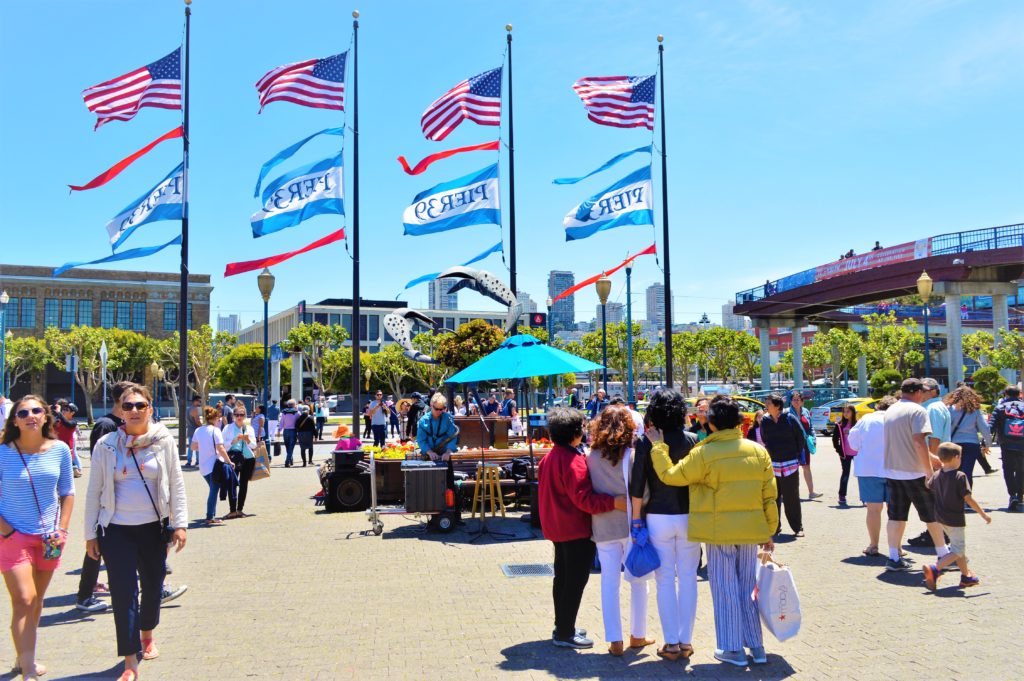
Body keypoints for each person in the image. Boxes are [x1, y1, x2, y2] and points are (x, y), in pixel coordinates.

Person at [648, 395, 777, 667]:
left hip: (718, 532)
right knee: (746, 588)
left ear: (713, 424)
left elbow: (671, 476)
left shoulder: (705, 453)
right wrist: (770, 530)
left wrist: (658, 448)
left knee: (725, 589)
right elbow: (769, 496)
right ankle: (756, 646)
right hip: (751, 531)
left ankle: (732, 649)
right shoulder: (758, 451)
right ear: (740, 422)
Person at [84, 384, 187, 681]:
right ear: (119, 410)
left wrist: (180, 524)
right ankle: (130, 660)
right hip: (116, 530)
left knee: (153, 585)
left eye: (140, 405)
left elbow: (177, 484)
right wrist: (91, 533)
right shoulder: (106, 445)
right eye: (128, 406)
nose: (134, 411)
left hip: (153, 529)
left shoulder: (163, 441)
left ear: (150, 409)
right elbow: (94, 492)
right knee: (123, 592)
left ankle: (147, 633)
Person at [537, 407, 626, 649]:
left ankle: (562, 625)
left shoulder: (549, 457)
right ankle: (565, 632)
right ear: (575, 433)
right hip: (575, 529)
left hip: (557, 527)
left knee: (562, 579)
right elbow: (584, 499)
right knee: (574, 582)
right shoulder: (574, 461)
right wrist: (614, 502)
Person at [0, 395, 75, 681]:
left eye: (36, 411)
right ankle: (29, 672)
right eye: (23, 412)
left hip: (50, 538)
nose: (30, 416)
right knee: (23, 599)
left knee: (37, 600)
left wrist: (63, 529)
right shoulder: (3, 452)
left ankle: (23, 657)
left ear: (46, 416)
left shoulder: (60, 451)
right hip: (12, 536)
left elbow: (67, 492)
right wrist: (5, 528)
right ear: (14, 420)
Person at [629, 390, 698, 661]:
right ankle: (686, 641)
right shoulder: (693, 440)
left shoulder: (646, 442)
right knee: (689, 578)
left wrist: (636, 521)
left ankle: (670, 643)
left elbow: (637, 488)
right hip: (689, 515)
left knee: (665, 580)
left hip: (657, 516)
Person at [587, 406, 653, 657]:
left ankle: (614, 640)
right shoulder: (633, 456)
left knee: (608, 582)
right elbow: (643, 494)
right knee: (638, 580)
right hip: (630, 525)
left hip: (603, 526)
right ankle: (638, 634)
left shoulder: (590, 456)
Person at [882, 378, 948, 572]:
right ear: (918, 392)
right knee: (932, 514)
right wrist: (929, 471)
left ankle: (893, 557)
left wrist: (932, 457)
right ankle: (943, 554)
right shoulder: (918, 411)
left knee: (896, 515)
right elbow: (918, 442)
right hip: (914, 471)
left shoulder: (891, 410)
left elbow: (906, 442)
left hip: (893, 470)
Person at [922, 443, 991, 591]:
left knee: (957, 547)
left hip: (941, 518)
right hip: (955, 519)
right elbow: (968, 499)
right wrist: (983, 514)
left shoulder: (937, 474)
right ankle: (934, 568)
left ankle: (966, 576)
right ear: (956, 457)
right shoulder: (960, 476)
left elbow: (928, 485)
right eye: (960, 456)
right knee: (958, 550)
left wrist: (927, 474)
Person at [847, 396, 897, 556]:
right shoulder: (897, 419)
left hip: (868, 469)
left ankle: (873, 545)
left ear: (878, 406)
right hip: (895, 470)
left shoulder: (866, 419)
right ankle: (896, 547)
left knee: (873, 510)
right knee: (895, 510)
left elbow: (853, 443)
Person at [758, 394, 805, 537]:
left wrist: (794, 454)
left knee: (792, 497)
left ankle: (798, 528)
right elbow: (765, 439)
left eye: (769, 403)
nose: (766, 405)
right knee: (773, 497)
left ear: (777, 406)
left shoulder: (789, 418)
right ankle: (775, 527)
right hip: (773, 465)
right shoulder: (765, 421)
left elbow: (800, 437)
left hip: (790, 464)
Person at [190, 406, 234, 525]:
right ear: (214, 418)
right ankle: (209, 517)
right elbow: (221, 448)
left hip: (203, 467)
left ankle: (211, 515)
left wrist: (204, 448)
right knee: (213, 491)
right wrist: (229, 461)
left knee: (213, 489)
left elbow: (193, 447)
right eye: (218, 418)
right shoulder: (216, 431)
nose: (219, 420)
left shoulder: (198, 430)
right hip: (214, 466)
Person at [942, 385, 991, 488]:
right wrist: (987, 443)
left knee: (954, 471)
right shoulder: (975, 410)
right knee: (967, 472)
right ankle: (967, 498)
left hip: (953, 444)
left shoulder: (948, 409)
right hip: (971, 444)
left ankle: (955, 497)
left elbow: (945, 428)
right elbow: (984, 428)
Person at [991, 386, 1024, 511]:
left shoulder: (1000, 408)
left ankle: (1012, 495)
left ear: (1005, 394)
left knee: (1008, 470)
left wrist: (986, 442)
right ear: (1019, 394)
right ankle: (1020, 495)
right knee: (1021, 470)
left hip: (1006, 444)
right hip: (1022, 444)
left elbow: (992, 425)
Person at [222, 404, 256, 517]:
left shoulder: (249, 428)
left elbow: (254, 445)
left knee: (243, 484)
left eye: (241, 415)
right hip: (233, 459)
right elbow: (222, 445)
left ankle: (240, 509)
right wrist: (233, 441)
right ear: (233, 416)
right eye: (237, 415)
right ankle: (232, 510)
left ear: (245, 416)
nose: (239, 417)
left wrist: (247, 440)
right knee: (232, 484)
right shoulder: (228, 428)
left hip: (247, 459)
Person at [788, 391, 820, 499]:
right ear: (791, 401)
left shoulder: (805, 411)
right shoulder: (787, 413)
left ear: (802, 401)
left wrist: (813, 439)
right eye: (794, 400)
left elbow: (810, 427)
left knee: (806, 467)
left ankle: (811, 492)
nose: (796, 402)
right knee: (793, 468)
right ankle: (792, 493)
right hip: (792, 444)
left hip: (805, 443)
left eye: (798, 400)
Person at [831, 404, 858, 506]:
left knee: (861, 475)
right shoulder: (840, 425)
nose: (845, 414)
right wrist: (839, 451)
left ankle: (865, 497)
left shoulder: (858, 424)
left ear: (853, 413)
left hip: (858, 454)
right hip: (845, 454)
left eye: (848, 412)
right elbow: (834, 440)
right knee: (845, 474)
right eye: (844, 412)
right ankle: (842, 495)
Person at [52, 402, 82, 477]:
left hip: (67, 450)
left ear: (72, 413)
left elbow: (67, 424)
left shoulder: (73, 422)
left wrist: (59, 413)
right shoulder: (58, 421)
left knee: (66, 474)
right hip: (55, 448)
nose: (63, 411)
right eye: (63, 409)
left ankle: (77, 469)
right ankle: (75, 469)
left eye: (66, 410)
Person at [279, 400, 299, 467]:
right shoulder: (297, 412)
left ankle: (291, 460)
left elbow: (281, 422)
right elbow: (299, 422)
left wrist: (279, 429)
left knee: (287, 447)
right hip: (293, 431)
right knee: (291, 447)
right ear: (294, 405)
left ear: (288, 405)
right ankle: (287, 461)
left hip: (286, 431)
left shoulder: (284, 412)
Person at [185, 397, 202, 465]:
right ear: (195, 401)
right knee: (197, 446)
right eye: (199, 401)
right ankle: (197, 461)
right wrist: (202, 427)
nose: (200, 403)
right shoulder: (195, 409)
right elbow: (197, 421)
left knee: (190, 447)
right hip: (195, 430)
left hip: (189, 429)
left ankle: (189, 461)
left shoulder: (188, 409)